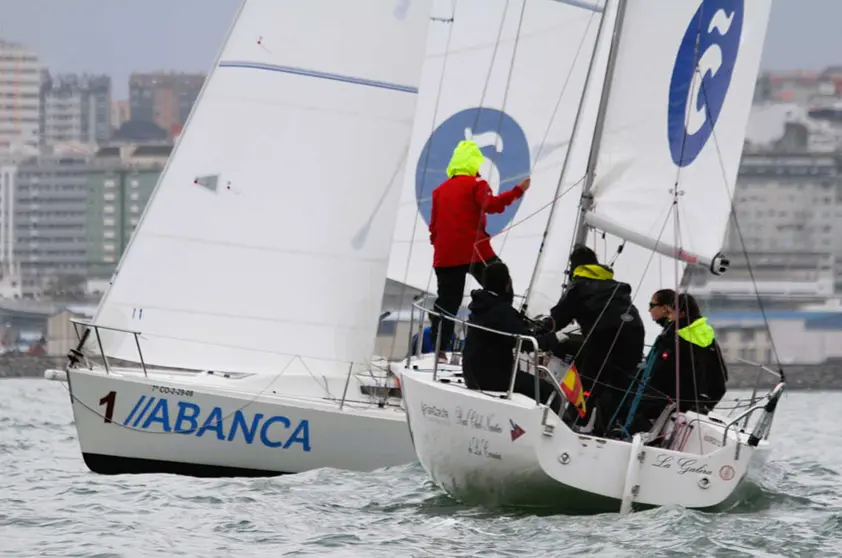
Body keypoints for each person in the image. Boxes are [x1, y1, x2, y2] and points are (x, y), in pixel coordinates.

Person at [428, 139, 531, 361]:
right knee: (503, 292)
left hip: (445, 256)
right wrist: (517, 191)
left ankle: (439, 350)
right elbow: (491, 205)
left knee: (447, 303)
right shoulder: (477, 184)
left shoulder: (438, 191)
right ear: (473, 162)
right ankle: (493, 337)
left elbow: (434, 226)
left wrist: (440, 243)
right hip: (475, 251)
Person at [540, 244, 645, 435]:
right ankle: (614, 427)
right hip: (635, 333)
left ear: (574, 266)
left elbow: (559, 318)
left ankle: (579, 425)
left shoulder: (579, 285)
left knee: (589, 380)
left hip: (604, 334)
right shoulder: (613, 284)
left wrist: (540, 329)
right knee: (619, 384)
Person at [462, 262, 564, 412]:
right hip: (494, 378)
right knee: (551, 393)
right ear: (507, 283)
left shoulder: (480, 305)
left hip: (472, 373)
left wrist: (536, 328)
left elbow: (512, 330)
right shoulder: (502, 311)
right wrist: (557, 338)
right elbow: (527, 343)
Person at [643, 292, 729, 416]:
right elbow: (720, 377)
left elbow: (658, 375)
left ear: (681, 314)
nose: (669, 317)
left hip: (668, 406)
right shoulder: (706, 336)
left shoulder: (674, 339)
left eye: (670, 313)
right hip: (698, 406)